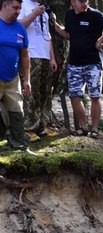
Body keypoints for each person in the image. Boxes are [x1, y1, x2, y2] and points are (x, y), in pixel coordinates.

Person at [52, 0, 103, 138]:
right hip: (74, 63)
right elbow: (69, 35)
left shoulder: (95, 15)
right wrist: (57, 26)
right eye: (81, 1)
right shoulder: (69, 15)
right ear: (72, 2)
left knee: (95, 95)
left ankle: (95, 129)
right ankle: (83, 127)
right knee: (74, 95)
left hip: (93, 62)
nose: (84, 4)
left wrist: (101, 40)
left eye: (86, 1)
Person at [19, 0, 56, 138]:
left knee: (45, 92)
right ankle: (29, 128)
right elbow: (19, 26)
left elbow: (48, 35)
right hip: (30, 54)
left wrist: (52, 57)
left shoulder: (44, 9)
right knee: (31, 92)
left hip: (45, 55)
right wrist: (34, 14)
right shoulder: (23, 5)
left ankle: (42, 126)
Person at [0, 0, 31, 151]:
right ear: (4, 5)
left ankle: (18, 144)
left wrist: (27, 80)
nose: (18, 11)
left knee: (17, 110)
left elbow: (25, 55)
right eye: (15, 7)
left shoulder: (20, 28)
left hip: (13, 78)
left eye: (20, 8)